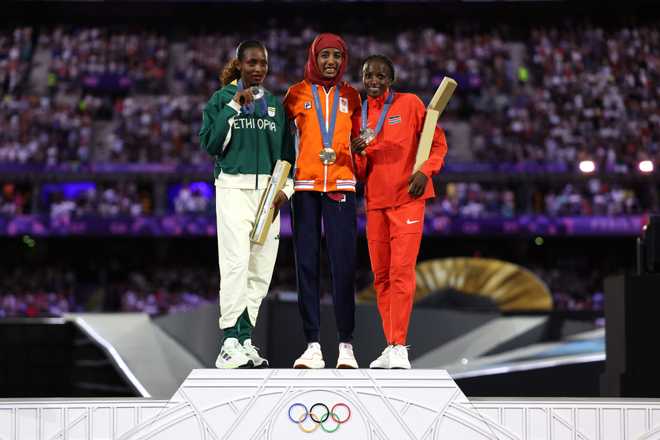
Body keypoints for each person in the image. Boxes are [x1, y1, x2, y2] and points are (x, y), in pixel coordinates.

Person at [199, 40, 294, 369]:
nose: (257, 69)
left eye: (262, 63)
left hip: (268, 196)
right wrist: (234, 107)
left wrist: (288, 190)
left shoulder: (276, 106)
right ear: (239, 65)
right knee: (236, 264)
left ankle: (244, 339)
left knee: (260, 270)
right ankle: (228, 342)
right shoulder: (221, 99)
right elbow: (211, 144)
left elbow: (287, 155)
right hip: (233, 190)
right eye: (251, 62)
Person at [351, 55, 448, 369]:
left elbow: (436, 143)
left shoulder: (410, 104)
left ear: (390, 79)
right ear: (363, 79)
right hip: (375, 202)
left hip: (408, 198)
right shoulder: (359, 114)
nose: (374, 81)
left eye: (381, 75)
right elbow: (362, 170)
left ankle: (399, 345)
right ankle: (389, 343)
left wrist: (426, 171)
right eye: (369, 76)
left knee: (401, 273)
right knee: (380, 277)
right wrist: (357, 154)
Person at [283, 33, 361, 369]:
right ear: (314, 57)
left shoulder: (352, 96)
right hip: (304, 187)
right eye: (324, 55)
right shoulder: (295, 94)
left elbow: (361, 141)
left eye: (336, 56)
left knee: (343, 265)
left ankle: (346, 345)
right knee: (307, 266)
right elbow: (285, 145)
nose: (331, 61)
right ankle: (312, 345)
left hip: (342, 183)